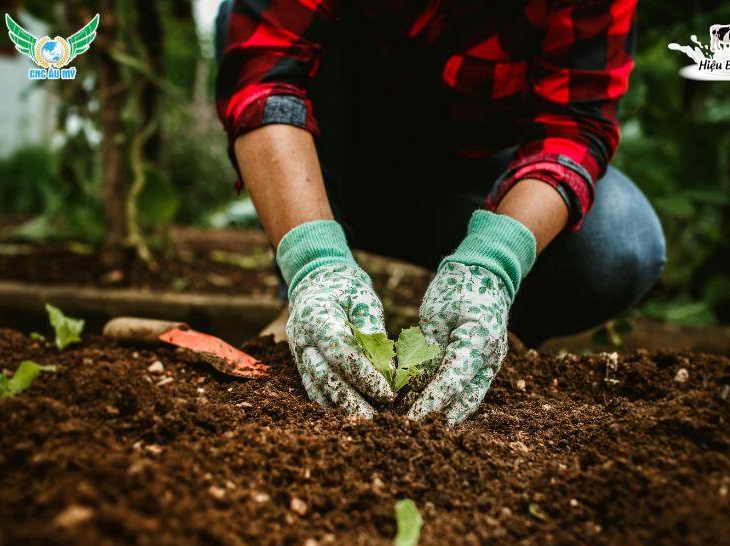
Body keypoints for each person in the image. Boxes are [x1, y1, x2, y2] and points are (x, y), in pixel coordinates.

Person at [214, 0, 665, 425]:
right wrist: (313, 263)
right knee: (247, 17)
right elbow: (264, 75)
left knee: (619, 240)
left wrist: (493, 262)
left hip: (478, 187)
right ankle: (304, 299)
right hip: (339, 173)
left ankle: (482, 337)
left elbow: (574, 128)